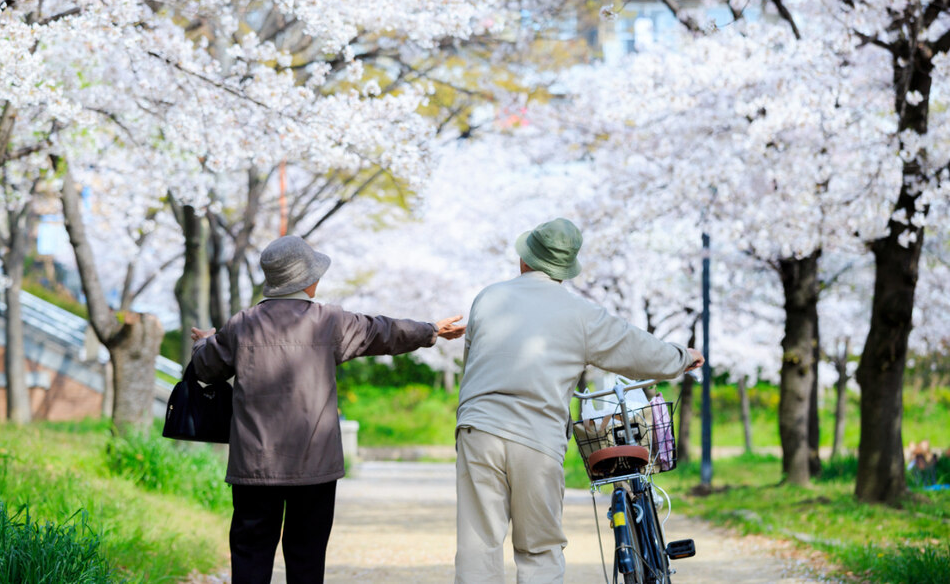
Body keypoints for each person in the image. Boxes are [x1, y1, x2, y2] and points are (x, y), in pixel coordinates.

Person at [189, 235, 465, 584]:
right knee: (307, 558)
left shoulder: (242, 324)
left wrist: (204, 342)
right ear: (308, 280)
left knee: (250, 555)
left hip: (255, 466)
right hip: (314, 464)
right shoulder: (330, 321)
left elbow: (205, 368)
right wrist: (430, 331)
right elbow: (383, 331)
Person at [454, 218, 703, 584]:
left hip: (479, 429)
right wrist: (682, 357)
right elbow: (636, 349)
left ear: (525, 259)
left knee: (478, 546)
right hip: (536, 438)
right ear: (564, 270)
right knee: (539, 549)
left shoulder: (488, 298)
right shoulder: (581, 314)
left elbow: (472, 363)